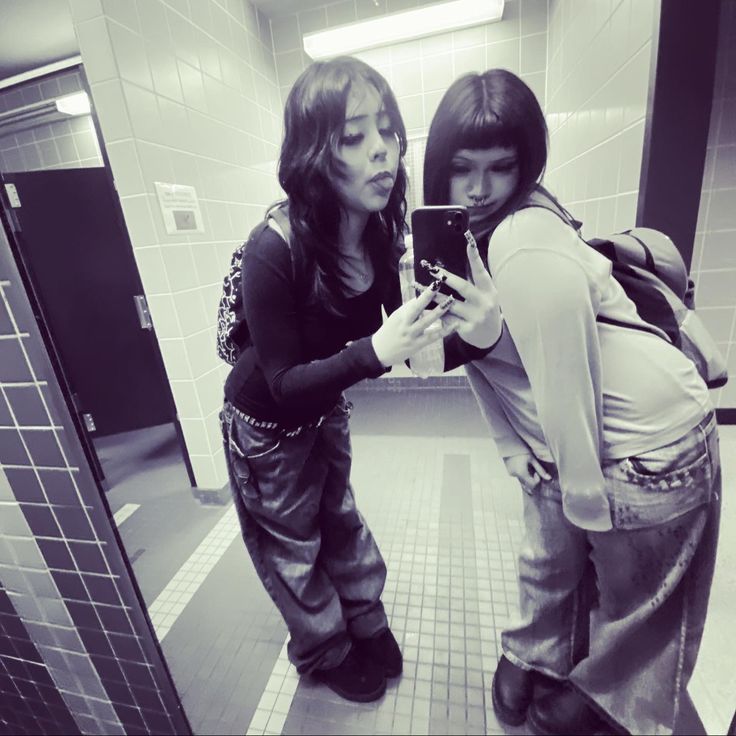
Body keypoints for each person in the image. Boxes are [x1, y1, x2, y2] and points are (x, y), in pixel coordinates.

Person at [422, 68, 721, 735]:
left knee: (639, 607)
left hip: (648, 443)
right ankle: (541, 660)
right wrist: (510, 445)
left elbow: (566, 379)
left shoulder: (523, 244)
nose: (476, 190)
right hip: (573, 441)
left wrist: (586, 502)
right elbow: (471, 360)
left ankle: (615, 705)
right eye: (460, 168)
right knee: (548, 561)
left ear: (525, 167)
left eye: (500, 168)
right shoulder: (459, 245)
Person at [219, 56, 502, 704]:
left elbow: (404, 352)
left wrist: (464, 317)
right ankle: (324, 647)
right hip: (265, 424)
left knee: (340, 518)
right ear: (315, 153)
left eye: (387, 131)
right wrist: (375, 348)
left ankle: (366, 621)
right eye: (354, 137)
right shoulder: (273, 246)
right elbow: (287, 380)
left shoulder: (376, 234)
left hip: (325, 405)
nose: (382, 152)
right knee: (293, 545)